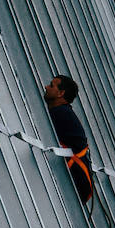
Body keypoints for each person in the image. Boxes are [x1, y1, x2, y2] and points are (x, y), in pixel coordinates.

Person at [44, 75, 93, 204]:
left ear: (61, 93)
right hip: (80, 185)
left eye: (51, 86)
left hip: (76, 184)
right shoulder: (64, 112)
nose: (46, 87)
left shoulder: (60, 114)